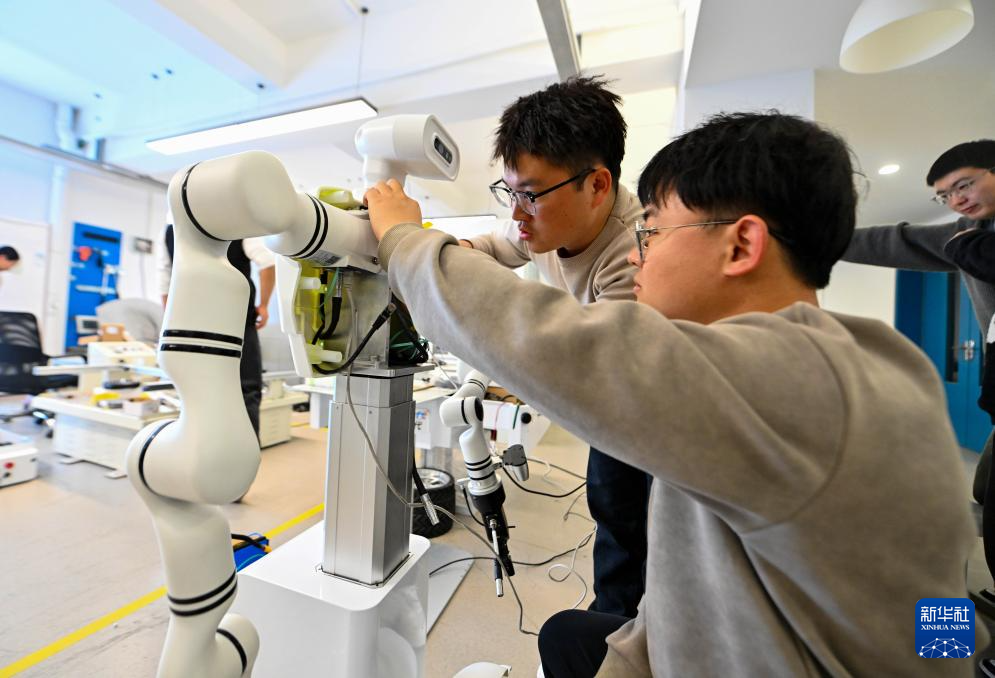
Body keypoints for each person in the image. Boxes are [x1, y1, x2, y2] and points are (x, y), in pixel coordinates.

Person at [365, 112, 983, 677]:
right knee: (569, 635)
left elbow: (552, 343)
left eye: (653, 233)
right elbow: (940, 592)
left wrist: (404, 239)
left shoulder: (789, 381)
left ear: (741, 245)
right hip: (732, 637)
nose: (638, 257)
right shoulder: (872, 368)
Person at [461, 75, 649, 618]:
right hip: (606, 376)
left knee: (626, 510)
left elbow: (596, 366)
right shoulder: (539, 220)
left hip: (641, 398)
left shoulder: (633, 252)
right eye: (510, 192)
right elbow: (496, 245)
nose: (517, 213)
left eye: (531, 194)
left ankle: (622, 630)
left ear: (597, 185)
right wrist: (458, 248)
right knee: (607, 500)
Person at [155, 224, 275, 438]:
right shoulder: (236, 221)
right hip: (235, 316)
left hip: (193, 322)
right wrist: (264, 305)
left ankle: (202, 450)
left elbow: (165, 279)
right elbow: (267, 261)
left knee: (197, 390)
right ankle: (243, 452)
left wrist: (172, 319)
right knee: (246, 388)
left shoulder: (173, 229)